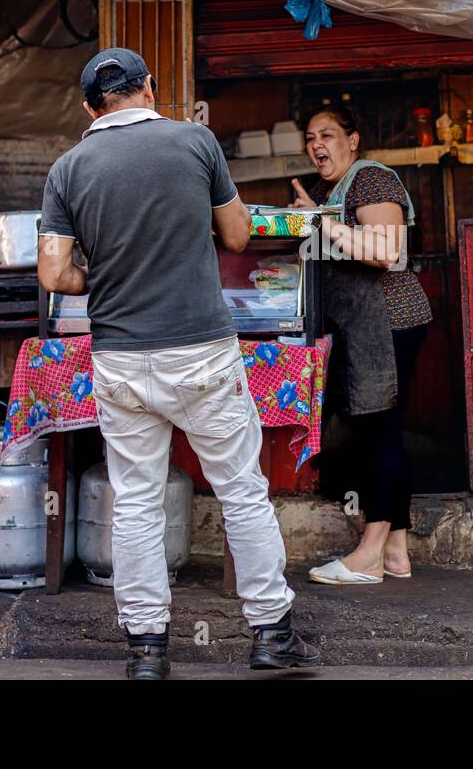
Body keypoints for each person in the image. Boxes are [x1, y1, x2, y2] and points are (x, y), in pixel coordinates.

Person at [38, 48, 319, 680]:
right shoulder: (196, 142)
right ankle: (272, 634)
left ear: (90, 108)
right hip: (200, 352)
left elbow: (54, 273)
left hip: (118, 358)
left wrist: (105, 275)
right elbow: (240, 236)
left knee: (135, 501)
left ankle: (146, 652)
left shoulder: (68, 168)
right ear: (150, 90)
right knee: (241, 491)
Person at [291, 105, 432, 585]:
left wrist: (319, 222)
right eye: (310, 138)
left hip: (390, 322)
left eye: (327, 134)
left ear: (353, 140)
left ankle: (369, 554)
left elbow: (384, 250)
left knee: (379, 431)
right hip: (359, 325)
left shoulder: (371, 179)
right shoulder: (323, 190)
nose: (316, 146)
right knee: (377, 430)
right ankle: (395, 553)